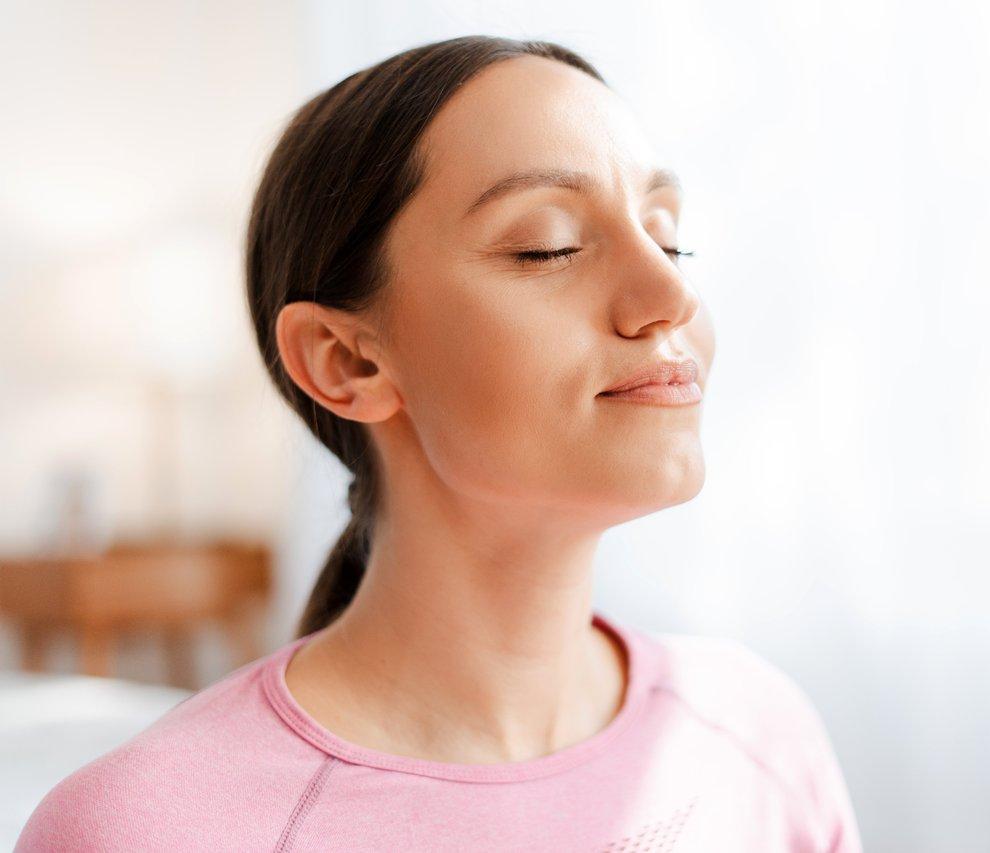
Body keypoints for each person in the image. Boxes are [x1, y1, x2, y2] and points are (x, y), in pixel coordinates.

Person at [15, 35, 861, 852]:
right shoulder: (144, 830)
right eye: (549, 246)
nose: (670, 291)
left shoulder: (758, 737)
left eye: (670, 236)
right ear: (347, 360)